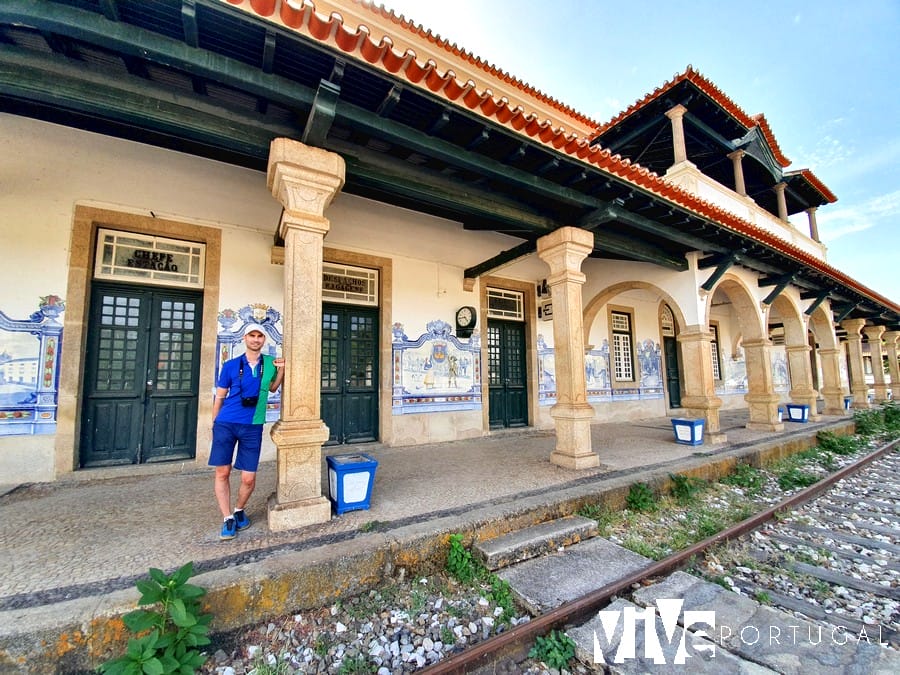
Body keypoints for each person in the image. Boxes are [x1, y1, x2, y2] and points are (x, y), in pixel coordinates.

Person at [210, 323, 284, 540]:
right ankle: (227, 518)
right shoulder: (231, 365)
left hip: (253, 425)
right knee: (222, 472)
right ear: (245, 338)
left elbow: (272, 388)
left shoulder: (269, 363)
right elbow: (221, 396)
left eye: (259, 336)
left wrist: (281, 371)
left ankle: (239, 509)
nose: (256, 339)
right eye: (252, 335)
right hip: (226, 423)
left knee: (249, 478)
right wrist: (214, 423)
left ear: (264, 340)